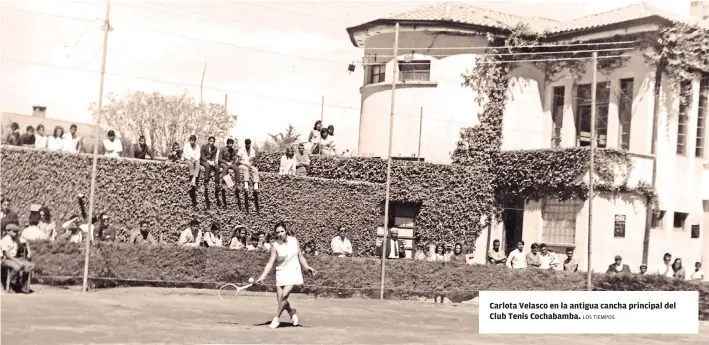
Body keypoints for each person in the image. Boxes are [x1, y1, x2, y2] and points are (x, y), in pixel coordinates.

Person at [255, 221, 317, 329]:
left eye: (282, 231)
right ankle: (291, 311)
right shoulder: (275, 246)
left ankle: (276, 319)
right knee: (280, 300)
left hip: (293, 271)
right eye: (277, 232)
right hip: (281, 272)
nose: (280, 234)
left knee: (284, 295)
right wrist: (262, 277)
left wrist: (307, 267)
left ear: (286, 230)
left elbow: (300, 256)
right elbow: (270, 262)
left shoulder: (294, 241)